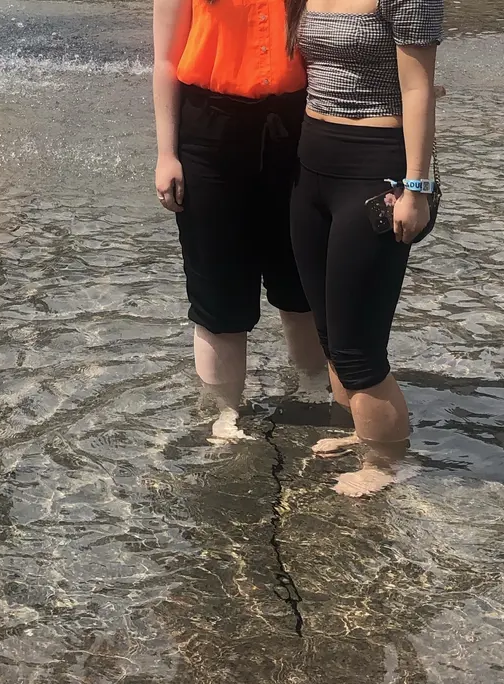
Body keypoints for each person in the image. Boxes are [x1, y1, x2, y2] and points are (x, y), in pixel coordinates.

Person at [153, 0, 330, 443]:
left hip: (296, 125)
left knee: (301, 276)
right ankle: (225, 410)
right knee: (218, 282)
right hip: (208, 131)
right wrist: (166, 154)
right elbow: (165, 61)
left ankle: (312, 387)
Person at [285, 0, 443, 495]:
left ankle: (386, 464)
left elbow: (419, 90)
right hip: (310, 166)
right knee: (330, 334)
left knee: (359, 350)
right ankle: (361, 433)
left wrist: (416, 188)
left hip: (376, 170)